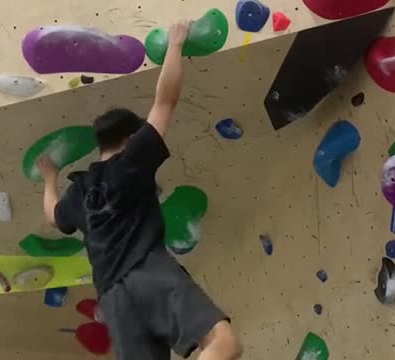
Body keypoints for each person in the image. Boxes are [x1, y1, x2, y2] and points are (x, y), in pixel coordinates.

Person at [36, 20, 243, 360]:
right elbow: (165, 102)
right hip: (148, 271)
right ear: (130, 140)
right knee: (222, 344)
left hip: (114, 300)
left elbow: (54, 218)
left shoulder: (77, 193)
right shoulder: (131, 161)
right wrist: (175, 45)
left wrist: (49, 177)